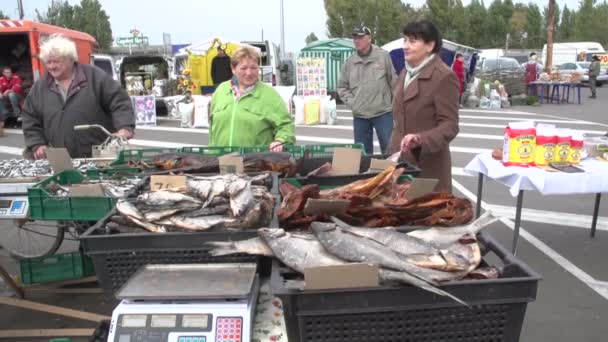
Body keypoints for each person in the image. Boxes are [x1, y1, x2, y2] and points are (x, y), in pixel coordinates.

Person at [22, 34, 135, 159]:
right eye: (48, 62)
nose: (52, 66)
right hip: (59, 158)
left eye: (56, 61)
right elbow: (30, 117)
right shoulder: (40, 87)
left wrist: (125, 127)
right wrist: (37, 143)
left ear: (71, 59)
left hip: (100, 154)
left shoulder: (95, 77)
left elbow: (119, 102)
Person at [389, 20, 459, 193]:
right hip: (400, 164)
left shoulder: (443, 77)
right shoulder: (405, 73)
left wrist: (420, 139)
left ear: (430, 45)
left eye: (413, 41)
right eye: (404, 40)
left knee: (424, 215)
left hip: (428, 168)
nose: (405, 46)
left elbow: (450, 126)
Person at [208, 46, 295, 150]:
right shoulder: (221, 91)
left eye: (253, 68)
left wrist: (280, 140)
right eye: (243, 68)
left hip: (256, 161)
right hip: (222, 160)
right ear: (233, 69)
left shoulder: (269, 95)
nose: (249, 73)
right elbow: (213, 128)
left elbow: (286, 125)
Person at [338, 24, 396, 155]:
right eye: (354, 38)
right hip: (360, 116)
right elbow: (342, 87)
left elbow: (394, 82)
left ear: (369, 38)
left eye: (360, 37)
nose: (356, 40)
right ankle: (367, 175)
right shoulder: (349, 63)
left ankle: (390, 174)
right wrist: (354, 103)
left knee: (390, 150)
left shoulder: (383, 56)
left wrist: (395, 106)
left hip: (383, 113)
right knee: (362, 154)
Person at [0, 66, 25, 136]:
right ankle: (4, 114)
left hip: (18, 96)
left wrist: (8, 91)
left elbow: (18, 87)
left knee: (11, 94)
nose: (9, 74)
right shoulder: (1, 79)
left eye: (10, 72)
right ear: (3, 73)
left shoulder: (16, 78)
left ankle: (17, 113)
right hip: (6, 97)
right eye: (7, 72)